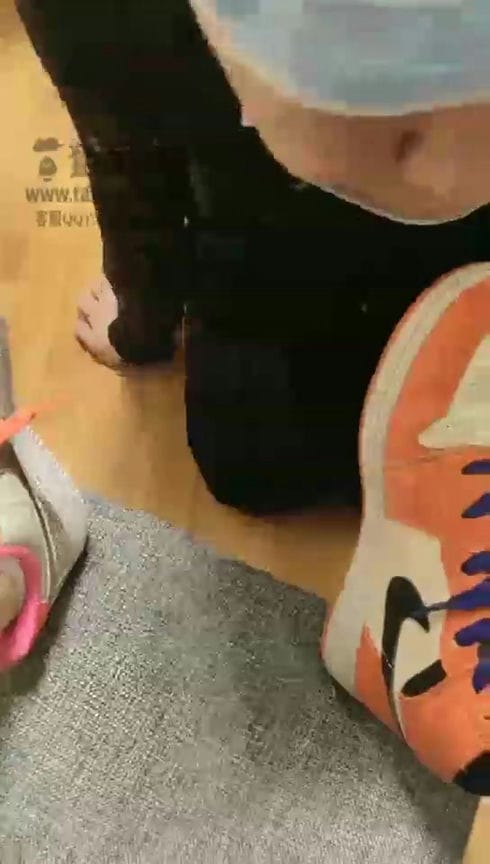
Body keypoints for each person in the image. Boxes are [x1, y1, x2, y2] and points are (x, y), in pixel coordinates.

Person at [15, 0, 490, 791]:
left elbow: (126, 145)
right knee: (256, 456)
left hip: (279, 246)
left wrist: (141, 321)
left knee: (257, 450)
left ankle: (428, 551)